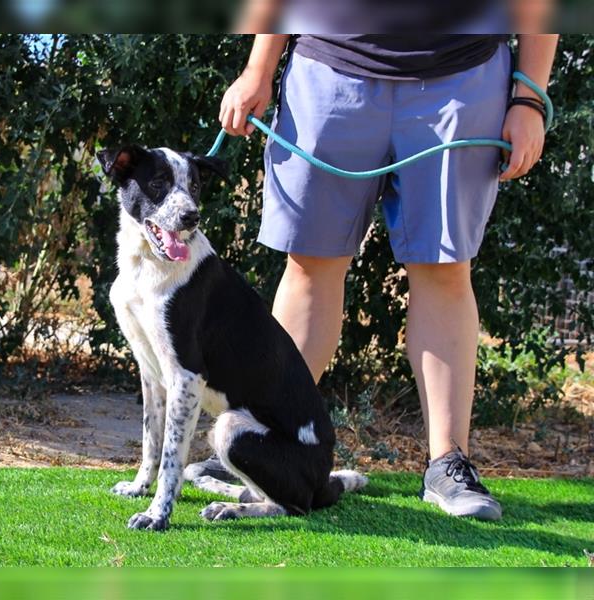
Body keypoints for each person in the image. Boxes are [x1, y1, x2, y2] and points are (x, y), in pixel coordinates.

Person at [189, 26, 559, 520]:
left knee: (445, 268)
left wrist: (530, 97)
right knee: (309, 263)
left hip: (462, 78)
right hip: (327, 71)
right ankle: (266, 449)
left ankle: (449, 465)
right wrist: (258, 68)